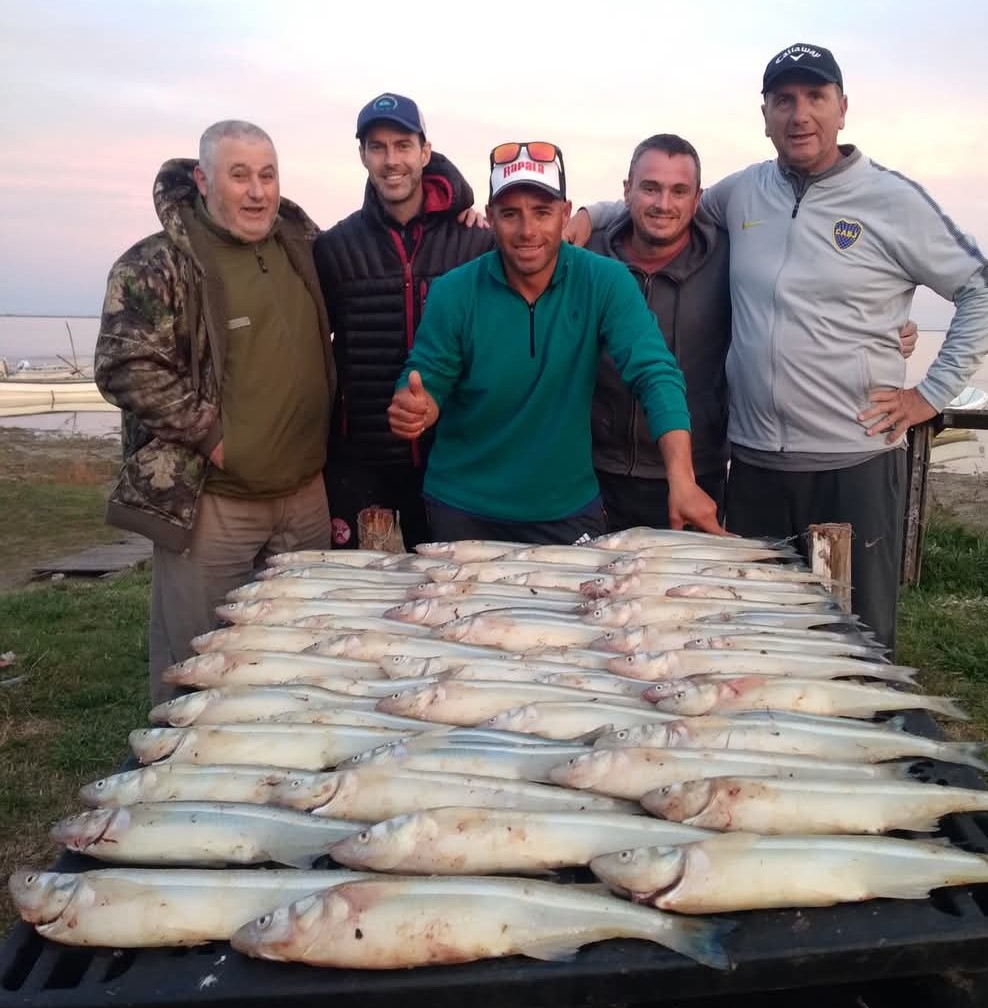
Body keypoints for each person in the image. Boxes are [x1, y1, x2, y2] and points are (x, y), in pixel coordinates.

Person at [571, 44, 988, 653]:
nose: (799, 114)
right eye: (784, 100)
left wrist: (930, 394)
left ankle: (873, 740)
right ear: (766, 114)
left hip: (851, 457)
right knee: (754, 627)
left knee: (855, 632)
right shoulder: (745, 192)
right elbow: (667, 203)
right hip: (752, 463)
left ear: (842, 108)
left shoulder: (891, 199)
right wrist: (589, 214)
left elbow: (986, 290)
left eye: (815, 98)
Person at [95, 120, 335, 704]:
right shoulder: (156, 264)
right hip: (214, 503)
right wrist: (212, 437)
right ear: (203, 181)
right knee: (202, 666)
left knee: (298, 657)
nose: (257, 191)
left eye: (268, 175)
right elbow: (125, 364)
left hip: (305, 499)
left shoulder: (303, 249)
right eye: (240, 175)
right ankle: (178, 781)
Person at [387, 141, 721, 544]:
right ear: (490, 217)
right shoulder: (453, 291)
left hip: (565, 508)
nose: (528, 231)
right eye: (511, 214)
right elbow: (427, 378)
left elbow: (655, 374)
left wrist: (682, 480)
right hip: (462, 507)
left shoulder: (605, 281)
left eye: (542, 213)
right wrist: (416, 406)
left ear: (565, 214)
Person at [315, 92, 494, 551]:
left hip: (453, 456)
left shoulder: (474, 241)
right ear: (362, 156)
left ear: (425, 152)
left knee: (444, 592)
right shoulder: (334, 248)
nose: (391, 160)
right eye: (378, 147)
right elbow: (315, 349)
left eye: (402, 145)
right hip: (362, 462)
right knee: (363, 595)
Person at [586, 133, 730, 533]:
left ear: (697, 198)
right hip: (593, 472)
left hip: (696, 473)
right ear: (627, 190)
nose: (663, 204)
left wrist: (893, 329)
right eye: (650, 188)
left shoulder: (729, 261)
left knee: (685, 595)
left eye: (678, 191)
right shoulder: (586, 255)